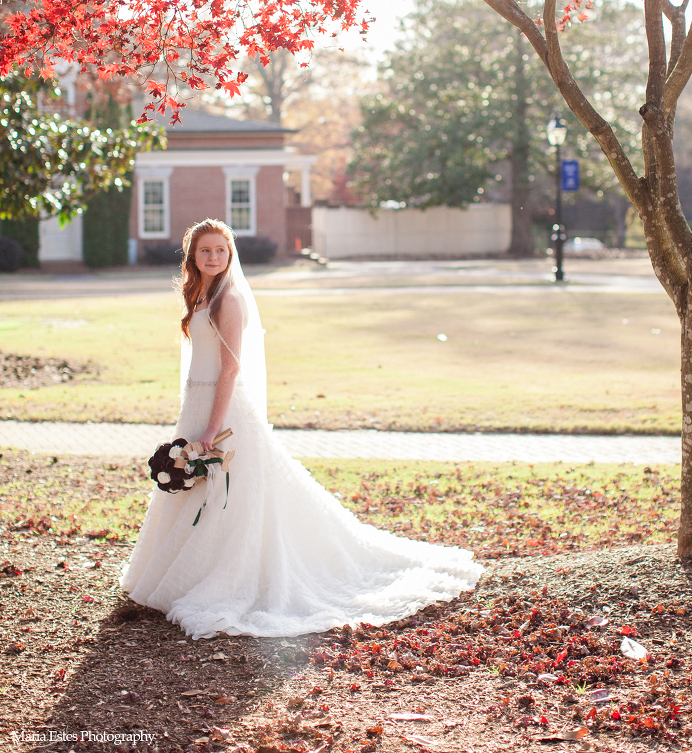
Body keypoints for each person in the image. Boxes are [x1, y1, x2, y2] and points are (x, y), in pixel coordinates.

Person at [121, 218, 481, 639]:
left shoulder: (229, 300)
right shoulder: (201, 294)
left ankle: (224, 575)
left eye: (221, 249)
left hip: (223, 414)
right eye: (206, 251)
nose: (214, 257)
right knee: (197, 490)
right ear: (193, 257)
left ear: (230, 253)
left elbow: (231, 368)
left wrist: (212, 430)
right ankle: (176, 572)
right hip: (197, 404)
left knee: (230, 496)